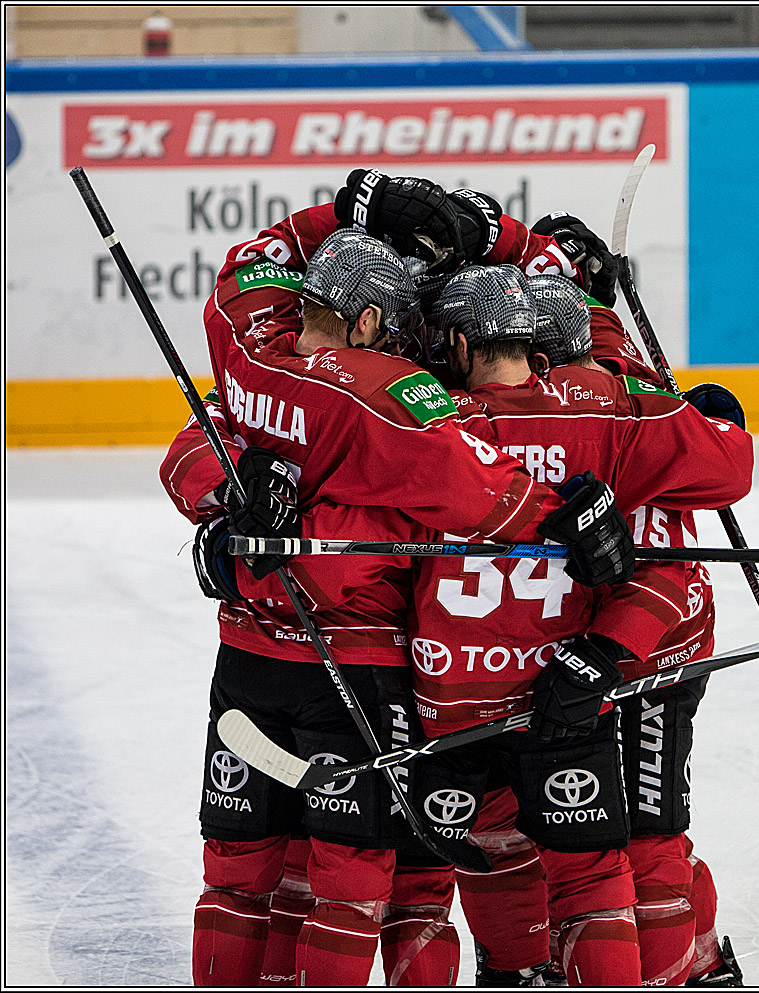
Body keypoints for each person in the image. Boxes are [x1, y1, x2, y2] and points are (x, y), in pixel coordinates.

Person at [160, 182, 635, 988]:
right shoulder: (394, 397)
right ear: (378, 320)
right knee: (367, 888)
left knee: (242, 874)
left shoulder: (249, 348)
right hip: (373, 669)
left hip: (247, 652)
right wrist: (573, 511)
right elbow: (482, 489)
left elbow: (190, 438)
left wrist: (231, 494)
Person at [401, 262, 753, 987]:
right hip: (585, 669)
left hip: (619, 667)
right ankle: (587, 966)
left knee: (631, 841)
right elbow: (701, 506)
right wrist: (715, 422)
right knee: (605, 858)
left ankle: (666, 964)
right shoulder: (612, 413)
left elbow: (669, 571)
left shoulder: (442, 426)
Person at [525, 259, 746, 987]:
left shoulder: (634, 400)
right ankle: (698, 956)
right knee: (601, 832)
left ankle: (686, 965)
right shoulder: (594, 390)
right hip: (584, 647)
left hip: (660, 653)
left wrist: (716, 430)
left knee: (649, 831)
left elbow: (671, 555)